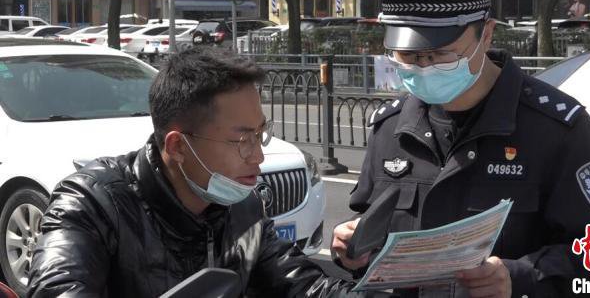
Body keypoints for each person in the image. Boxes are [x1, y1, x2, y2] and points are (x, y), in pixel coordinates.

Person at [331, 0, 590, 297]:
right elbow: (368, 227)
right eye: (408, 56)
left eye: (441, 55)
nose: (423, 68)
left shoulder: (557, 130)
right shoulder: (391, 126)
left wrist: (520, 277)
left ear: (486, 34)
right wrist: (351, 247)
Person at [28, 48, 356, 297]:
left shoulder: (243, 209)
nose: (257, 156)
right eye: (242, 140)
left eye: (260, 135)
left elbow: (301, 284)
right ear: (178, 147)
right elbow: (59, 288)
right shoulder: (92, 204)